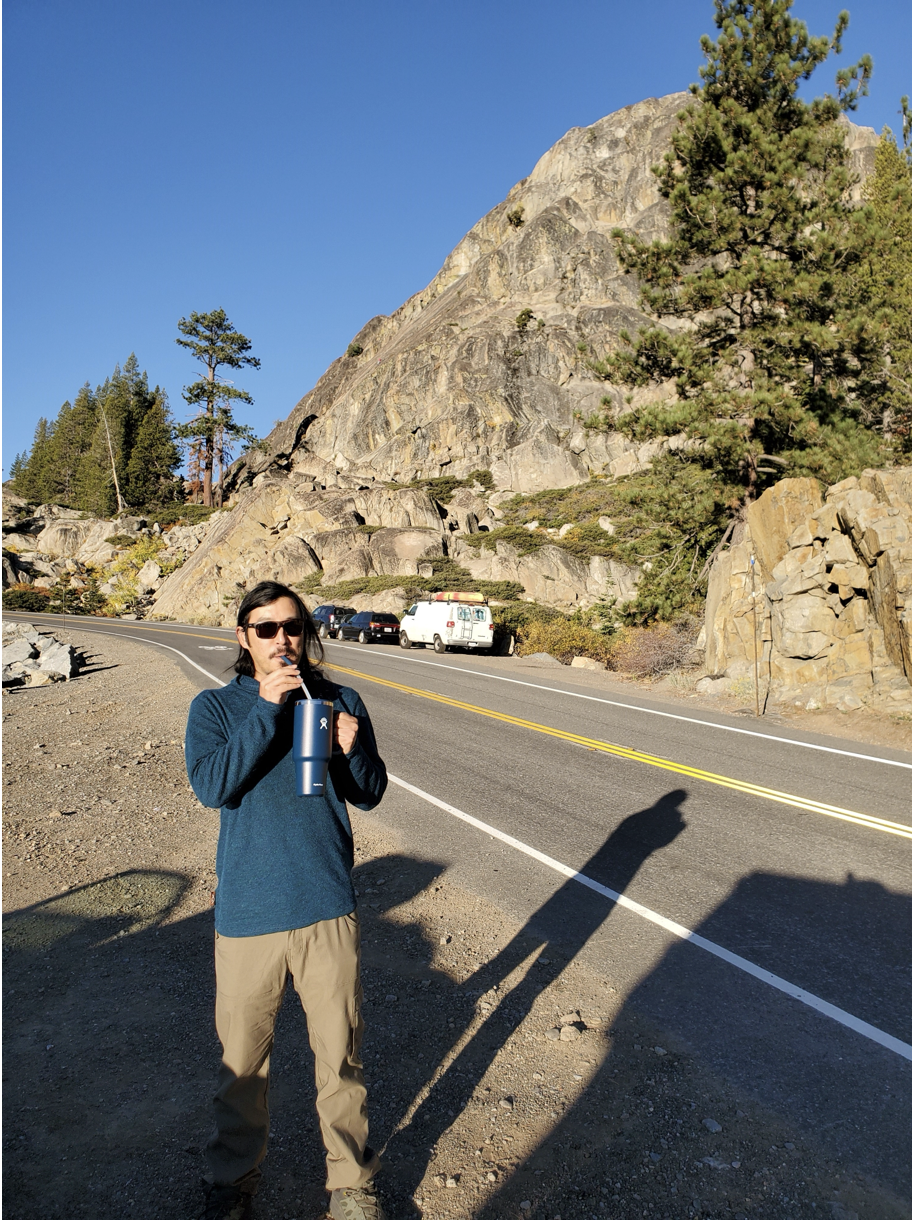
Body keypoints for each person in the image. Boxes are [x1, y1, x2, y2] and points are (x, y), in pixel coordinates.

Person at [185, 581, 387, 1221]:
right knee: (241, 1066)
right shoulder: (215, 709)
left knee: (340, 1059)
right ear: (244, 637)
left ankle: (351, 1187)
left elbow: (370, 792)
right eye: (266, 628)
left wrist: (351, 750)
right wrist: (269, 710)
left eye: (293, 627)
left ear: (309, 633)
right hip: (249, 915)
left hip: (326, 903)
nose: (283, 640)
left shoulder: (340, 700)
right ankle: (232, 1181)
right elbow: (213, 787)